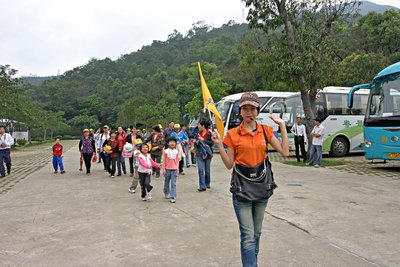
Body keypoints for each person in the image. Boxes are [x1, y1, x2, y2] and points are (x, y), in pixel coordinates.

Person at [211, 92, 289, 267]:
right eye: (245, 108)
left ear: (257, 110)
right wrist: (218, 145)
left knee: (257, 233)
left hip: (261, 188)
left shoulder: (265, 131)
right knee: (247, 235)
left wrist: (282, 126)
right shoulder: (232, 134)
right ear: (240, 111)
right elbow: (229, 164)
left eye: (252, 108)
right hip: (242, 190)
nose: (249, 112)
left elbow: (285, 152)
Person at [195, 120, 214, 191]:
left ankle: (207, 183)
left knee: (207, 170)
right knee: (200, 170)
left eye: (199, 125)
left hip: (208, 154)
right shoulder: (198, 133)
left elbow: (211, 143)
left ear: (203, 126)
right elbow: (195, 141)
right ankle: (202, 186)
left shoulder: (210, 133)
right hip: (199, 153)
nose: (198, 126)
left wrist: (203, 140)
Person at [162, 137, 179, 203]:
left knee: (173, 183)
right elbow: (164, 161)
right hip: (167, 169)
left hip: (174, 169)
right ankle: (166, 192)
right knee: (166, 182)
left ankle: (173, 196)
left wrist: (177, 169)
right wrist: (164, 169)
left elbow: (177, 161)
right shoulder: (165, 151)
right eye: (170, 142)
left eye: (173, 142)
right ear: (168, 143)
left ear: (175, 143)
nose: (172, 143)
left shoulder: (176, 151)